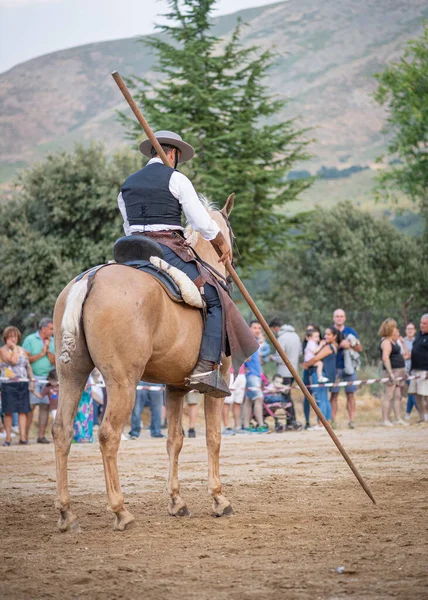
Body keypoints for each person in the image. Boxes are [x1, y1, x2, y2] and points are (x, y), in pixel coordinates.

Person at [118, 130, 233, 398]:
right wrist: (222, 244)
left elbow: (127, 225)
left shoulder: (127, 185)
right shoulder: (177, 179)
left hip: (131, 249)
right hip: (165, 248)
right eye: (177, 156)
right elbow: (202, 222)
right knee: (216, 296)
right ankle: (206, 367)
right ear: (172, 154)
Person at [22, 317, 55, 443]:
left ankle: (41, 436)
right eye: (51, 329)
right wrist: (41, 354)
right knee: (31, 406)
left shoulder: (53, 341)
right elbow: (25, 359)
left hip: (48, 380)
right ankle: (24, 436)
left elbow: (55, 362)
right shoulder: (30, 339)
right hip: (33, 378)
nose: (53, 331)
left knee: (45, 407)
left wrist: (47, 352)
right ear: (43, 329)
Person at [0, 326, 34, 446]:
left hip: (22, 383)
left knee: (23, 411)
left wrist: (32, 378)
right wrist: (14, 349)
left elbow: (27, 365)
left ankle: (23, 437)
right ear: (5, 338)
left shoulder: (22, 349)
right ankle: (8, 438)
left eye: (15, 336)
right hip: (8, 384)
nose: (13, 339)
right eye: (10, 336)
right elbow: (13, 361)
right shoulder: (3, 350)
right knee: (8, 411)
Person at [330, 309, 362, 429]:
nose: (339, 318)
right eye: (337, 316)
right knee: (334, 395)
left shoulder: (350, 331)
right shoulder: (330, 331)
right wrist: (338, 345)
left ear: (345, 318)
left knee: (350, 394)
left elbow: (360, 348)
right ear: (333, 318)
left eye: (341, 316)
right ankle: (333, 420)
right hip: (335, 367)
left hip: (349, 368)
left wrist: (350, 345)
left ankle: (351, 420)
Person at [303, 327, 341, 428]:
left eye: (328, 334)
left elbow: (316, 358)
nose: (325, 336)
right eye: (325, 334)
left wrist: (307, 364)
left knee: (320, 398)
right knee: (325, 399)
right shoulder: (334, 347)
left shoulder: (328, 347)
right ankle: (327, 422)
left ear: (334, 336)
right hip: (327, 375)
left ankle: (320, 423)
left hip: (320, 374)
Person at [378, 319, 407, 426]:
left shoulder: (394, 341)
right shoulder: (386, 342)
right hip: (392, 372)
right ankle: (385, 419)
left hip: (399, 372)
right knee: (388, 395)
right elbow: (385, 358)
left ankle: (398, 418)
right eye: (394, 327)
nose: (396, 329)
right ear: (390, 329)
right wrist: (390, 373)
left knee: (397, 395)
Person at [243, 322, 269, 433]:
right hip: (251, 375)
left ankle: (246, 426)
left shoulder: (256, 341)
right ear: (249, 329)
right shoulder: (248, 340)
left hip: (257, 374)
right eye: (254, 328)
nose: (257, 330)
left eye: (259, 328)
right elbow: (243, 356)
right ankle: (261, 425)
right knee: (259, 398)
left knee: (249, 400)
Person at [269, 318, 302, 392]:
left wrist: (273, 357)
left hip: (283, 371)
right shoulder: (296, 336)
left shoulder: (282, 338)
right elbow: (300, 352)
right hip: (294, 371)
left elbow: (279, 358)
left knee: (284, 396)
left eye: (273, 330)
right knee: (287, 393)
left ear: (276, 328)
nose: (273, 332)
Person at [408, 314, 428, 422]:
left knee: (426, 395)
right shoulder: (419, 335)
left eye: (424, 323)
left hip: (426, 370)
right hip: (415, 370)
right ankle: (421, 416)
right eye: (421, 323)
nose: (422, 325)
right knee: (416, 393)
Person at [301, 323, 321, 429]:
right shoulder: (306, 344)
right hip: (306, 371)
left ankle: (320, 421)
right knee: (307, 396)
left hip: (314, 369)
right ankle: (307, 421)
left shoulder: (317, 343)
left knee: (318, 396)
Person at [222, 365, 246, 435]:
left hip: (241, 374)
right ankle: (226, 426)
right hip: (230, 373)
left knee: (237, 402)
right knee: (227, 402)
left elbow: (248, 359)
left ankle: (237, 426)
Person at [403, 322, 417, 420]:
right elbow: (401, 357)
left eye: (411, 329)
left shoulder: (418, 341)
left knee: (411, 392)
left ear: (415, 331)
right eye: (408, 329)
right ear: (405, 331)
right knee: (412, 392)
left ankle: (407, 414)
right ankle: (421, 411)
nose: (410, 331)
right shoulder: (401, 342)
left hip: (416, 370)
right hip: (405, 371)